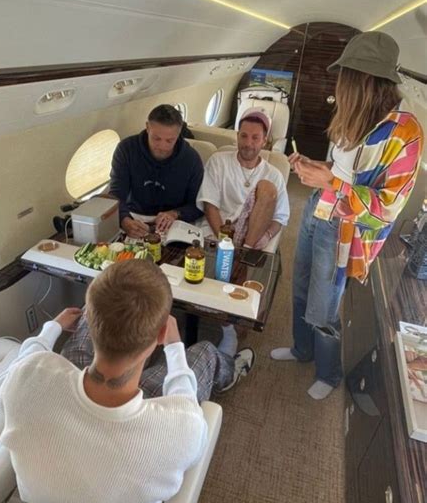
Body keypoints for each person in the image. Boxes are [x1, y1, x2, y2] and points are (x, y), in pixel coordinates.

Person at [0, 260, 254, 503]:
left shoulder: (29, 373)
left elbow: (24, 363)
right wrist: (175, 348)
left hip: (44, 490)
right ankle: (230, 369)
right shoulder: (181, 426)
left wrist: (51, 327)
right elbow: (184, 401)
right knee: (205, 354)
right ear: (162, 333)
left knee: (80, 343)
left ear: (87, 317)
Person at [271, 31, 424, 400]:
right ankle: (302, 349)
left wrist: (332, 183)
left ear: (365, 81)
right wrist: (315, 167)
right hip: (316, 209)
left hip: (345, 228)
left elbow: (387, 208)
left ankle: (329, 372)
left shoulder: (406, 132)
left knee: (325, 306)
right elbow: (339, 169)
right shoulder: (351, 117)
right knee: (302, 285)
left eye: (344, 77)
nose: (338, 84)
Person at [196, 109, 290, 248]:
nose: (248, 143)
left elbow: (280, 217)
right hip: (217, 230)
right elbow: (210, 205)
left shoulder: (274, 175)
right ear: (237, 136)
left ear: (264, 141)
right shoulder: (218, 161)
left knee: (266, 188)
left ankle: (245, 251)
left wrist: (267, 236)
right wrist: (225, 242)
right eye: (244, 136)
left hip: (252, 235)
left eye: (255, 138)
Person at [109, 103, 203, 238]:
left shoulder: (191, 159)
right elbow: (116, 194)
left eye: (170, 140)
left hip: (172, 222)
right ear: (147, 127)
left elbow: (197, 204)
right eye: (156, 138)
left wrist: (175, 214)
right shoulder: (126, 149)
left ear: (179, 133)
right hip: (133, 216)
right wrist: (124, 220)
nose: (162, 147)